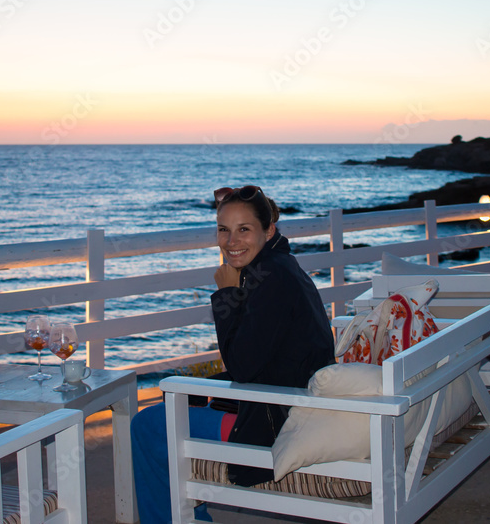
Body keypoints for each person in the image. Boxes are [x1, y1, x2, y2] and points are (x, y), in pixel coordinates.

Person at [130, 185, 336, 523]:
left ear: (268, 230)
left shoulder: (272, 279)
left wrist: (227, 294)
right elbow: (259, 358)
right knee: (176, 407)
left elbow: (241, 365)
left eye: (244, 230)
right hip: (289, 403)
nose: (231, 241)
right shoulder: (279, 266)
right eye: (224, 230)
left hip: (277, 421)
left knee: (147, 426)